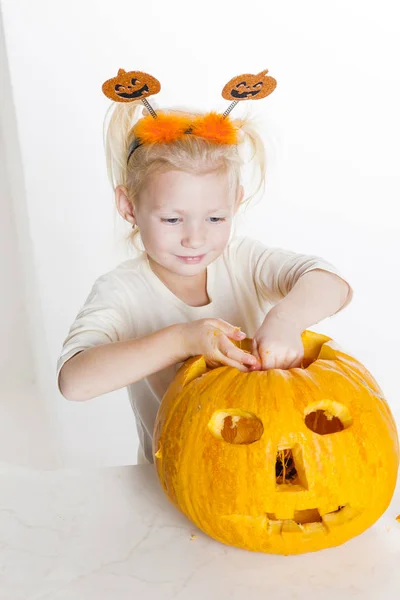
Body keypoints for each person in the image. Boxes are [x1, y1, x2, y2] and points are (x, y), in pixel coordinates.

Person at [57, 69, 353, 465]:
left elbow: (333, 284)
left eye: (214, 219)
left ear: (235, 204)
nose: (195, 239)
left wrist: (284, 320)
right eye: (172, 220)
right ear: (129, 207)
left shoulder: (244, 260)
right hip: (182, 475)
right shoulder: (122, 291)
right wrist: (181, 340)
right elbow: (74, 383)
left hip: (272, 463)